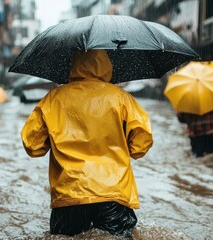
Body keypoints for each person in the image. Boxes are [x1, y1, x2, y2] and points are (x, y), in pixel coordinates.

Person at [20, 50, 153, 237]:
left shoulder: (53, 99)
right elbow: (141, 145)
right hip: (113, 193)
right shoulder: (121, 98)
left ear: (73, 65)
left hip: (70, 195)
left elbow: (33, 146)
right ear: (107, 65)